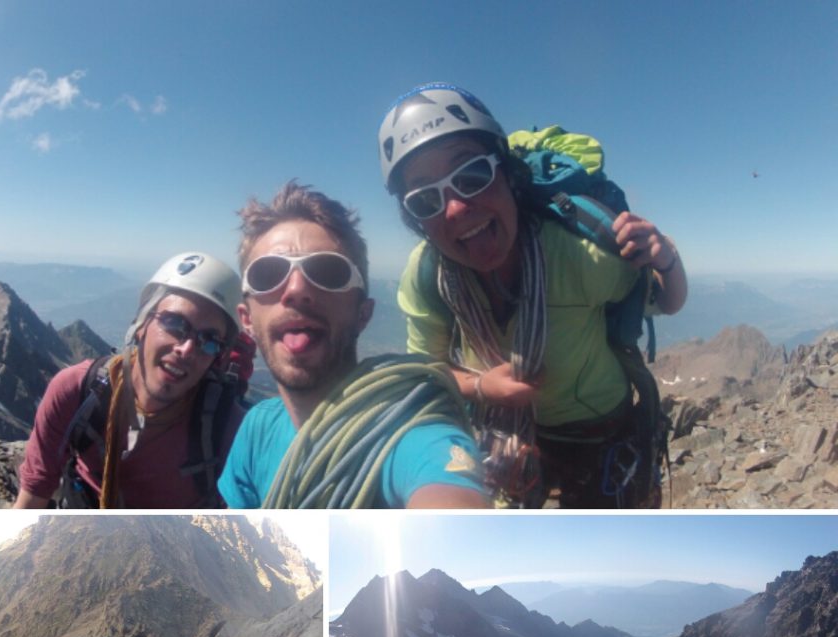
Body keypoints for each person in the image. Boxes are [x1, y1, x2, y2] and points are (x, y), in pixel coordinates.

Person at [378, 83, 688, 508]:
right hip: (510, 440)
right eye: (424, 200)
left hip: (600, 434)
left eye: (472, 175)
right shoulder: (429, 274)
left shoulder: (579, 255)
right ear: (416, 222)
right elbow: (427, 371)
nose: (454, 208)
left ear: (507, 173)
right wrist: (483, 387)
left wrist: (667, 260)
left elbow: (667, 301)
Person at [218, 181, 491, 509]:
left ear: (363, 314)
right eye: (268, 275)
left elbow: (447, 492)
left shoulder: (410, 429)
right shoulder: (257, 428)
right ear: (246, 320)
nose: (296, 289)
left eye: (328, 272)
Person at [14, 252, 248, 508]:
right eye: (175, 324)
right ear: (141, 324)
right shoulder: (77, 391)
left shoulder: (228, 427)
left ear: (218, 357)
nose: (187, 348)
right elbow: (34, 496)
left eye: (210, 340)